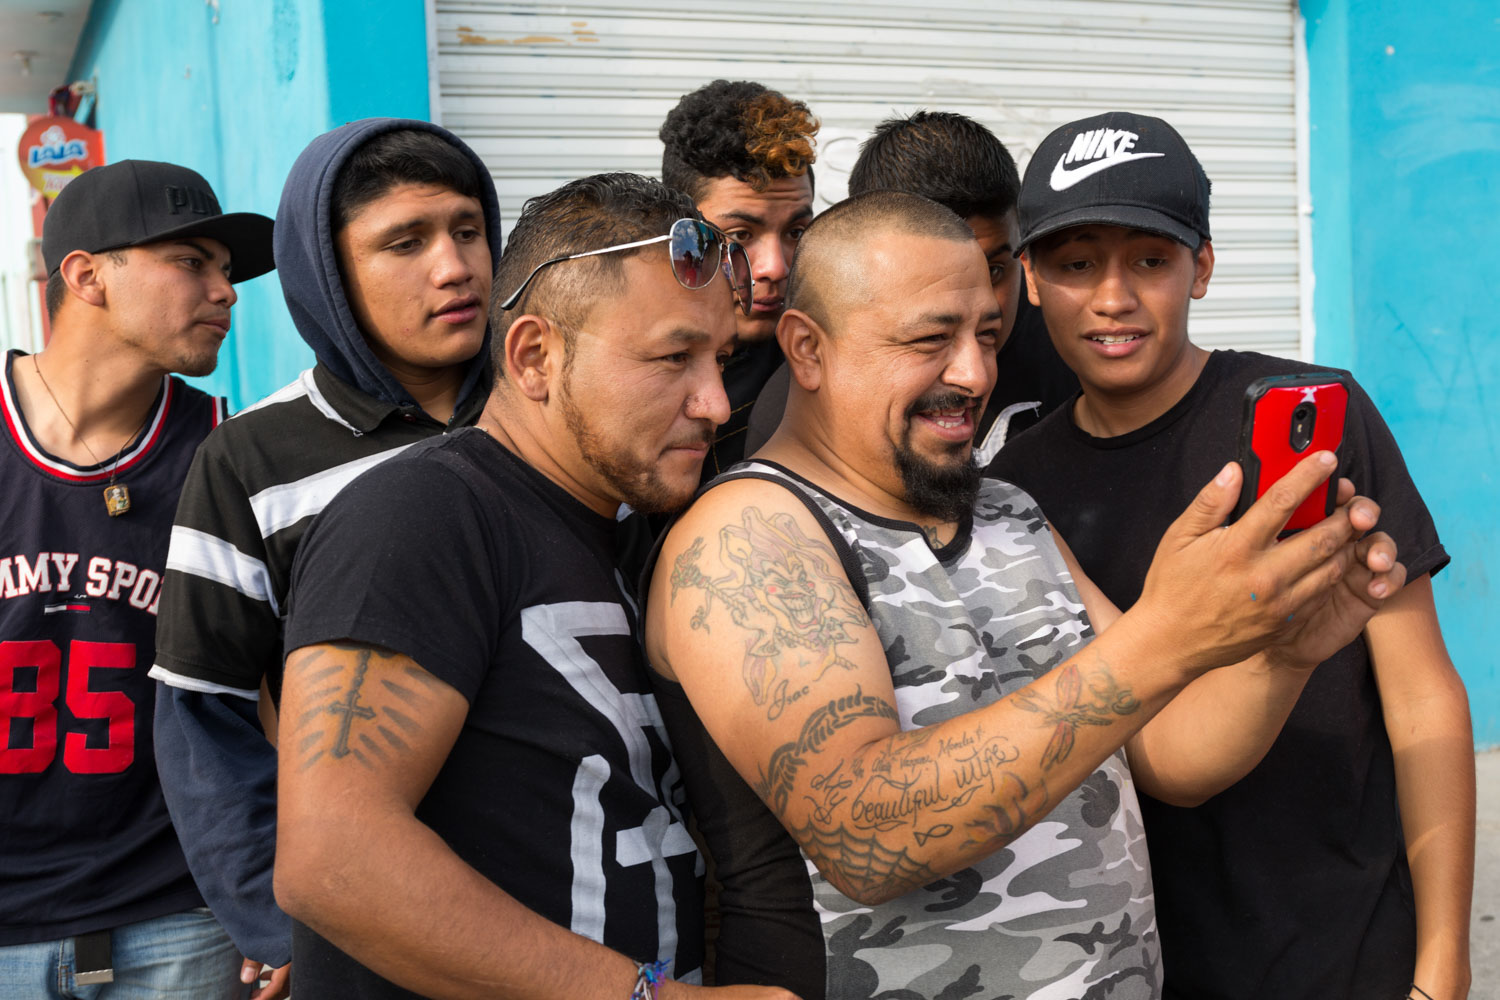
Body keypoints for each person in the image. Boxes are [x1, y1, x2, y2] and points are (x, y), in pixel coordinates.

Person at [642, 190, 1407, 998]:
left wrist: (1280, 657)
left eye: (986, 335)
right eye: (931, 339)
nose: (973, 374)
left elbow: (1169, 755)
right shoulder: (747, 536)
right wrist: (1165, 640)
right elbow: (865, 834)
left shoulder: (1006, 508)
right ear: (807, 349)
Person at [272, 173, 793, 1000]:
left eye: (720, 358)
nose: (715, 401)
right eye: (672, 358)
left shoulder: (636, 524)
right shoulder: (423, 516)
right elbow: (332, 857)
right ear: (535, 356)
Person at [991, 111, 1475, 999]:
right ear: (1027, 278)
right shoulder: (1016, 489)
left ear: (1201, 267)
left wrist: (1443, 964)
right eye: (1073, 263)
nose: (1111, 297)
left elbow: (1423, 699)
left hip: (1350, 946)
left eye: (1149, 259)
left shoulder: (1319, 420)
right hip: (1140, 962)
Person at [147, 119, 500, 997]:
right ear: (328, 273)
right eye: (404, 243)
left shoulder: (551, 408)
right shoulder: (250, 462)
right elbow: (204, 716)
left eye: (467, 228)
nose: (454, 267)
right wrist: (282, 924)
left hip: (593, 890)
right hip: (386, 932)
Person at [0, 159, 272, 996]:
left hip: (180, 917)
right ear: (86, 276)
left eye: (227, 271)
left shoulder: (235, 454)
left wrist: (265, 897)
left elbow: (275, 693)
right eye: (192, 261)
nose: (225, 291)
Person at [843, 110, 1078, 459]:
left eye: (994, 270)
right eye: (933, 277)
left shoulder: (1080, 353)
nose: (978, 304)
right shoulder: (828, 379)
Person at [660, 79, 819, 479]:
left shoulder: (830, 365)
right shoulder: (627, 363)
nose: (775, 268)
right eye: (740, 236)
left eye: (796, 232)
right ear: (679, 236)